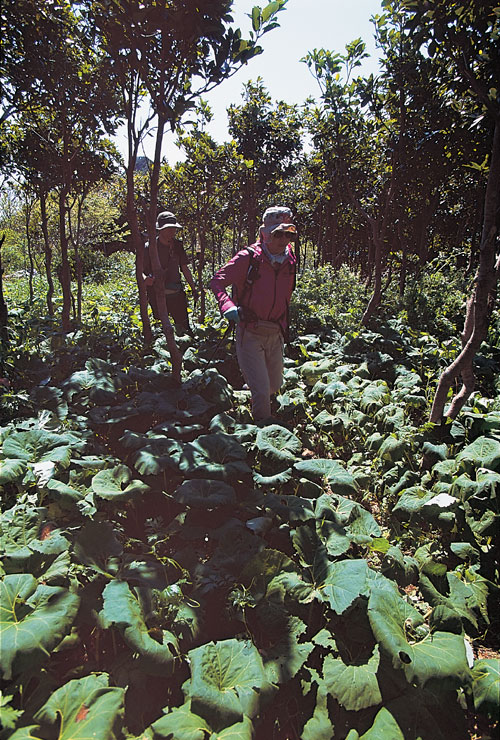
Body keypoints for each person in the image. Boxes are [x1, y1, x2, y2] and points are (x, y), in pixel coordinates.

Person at [210, 206, 297, 423]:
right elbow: (217, 281)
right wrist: (227, 306)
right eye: (278, 234)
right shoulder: (248, 258)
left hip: (275, 332)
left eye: (288, 234)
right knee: (262, 391)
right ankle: (262, 430)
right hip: (250, 331)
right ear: (265, 234)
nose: (283, 239)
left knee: (274, 385)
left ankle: (255, 392)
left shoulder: (290, 260)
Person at [142, 211, 198, 335]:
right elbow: (140, 271)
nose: (171, 232)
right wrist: (145, 279)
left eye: (173, 229)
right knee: (161, 330)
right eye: (168, 229)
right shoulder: (149, 247)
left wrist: (193, 288)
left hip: (176, 293)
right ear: (160, 230)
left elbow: (185, 268)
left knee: (184, 328)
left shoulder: (177, 246)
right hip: (157, 295)